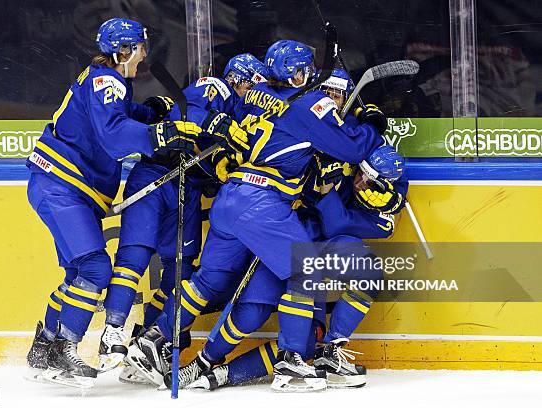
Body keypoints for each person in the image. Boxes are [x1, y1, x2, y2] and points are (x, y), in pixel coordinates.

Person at [125, 41, 386, 388]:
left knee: (208, 280)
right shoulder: (308, 104)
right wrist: (369, 123)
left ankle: (153, 338)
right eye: (305, 71)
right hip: (263, 202)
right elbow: (351, 147)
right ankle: (292, 360)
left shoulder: (256, 93)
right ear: (297, 74)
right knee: (304, 271)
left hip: (231, 198)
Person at [24, 17, 203, 388]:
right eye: (140, 48)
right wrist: (161, 133)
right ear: (125, 51)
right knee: (94, 268)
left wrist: (149, 112)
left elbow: (114, 117)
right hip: (62, 187)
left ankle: (44, 346)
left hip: (64, 186)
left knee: (78, 274)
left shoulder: (107, 80)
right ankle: (64, 351)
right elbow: (114, 135)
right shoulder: (107, 80)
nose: (143, 55)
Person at [98, 53, 269, 375]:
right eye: (253, 86)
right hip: (156, 175)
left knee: (179, 271)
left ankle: (145, 346)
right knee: (134, 256)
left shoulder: (244, 112)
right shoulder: (214, 87)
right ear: (239, 79)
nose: (255, 94)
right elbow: (183, 111)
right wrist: (220, 124)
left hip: (186, 189)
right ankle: (114, 330)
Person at [190, 144, 408, 392]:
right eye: (361, 175)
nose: (360, 184)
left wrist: (390, 199)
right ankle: (205, 360)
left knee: (364, 277)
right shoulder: (341, 152)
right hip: (287, 240)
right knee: (251, 313)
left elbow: (336, 225)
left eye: (370, 183)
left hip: (321, 247)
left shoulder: (384, 206)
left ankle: (329, 350)